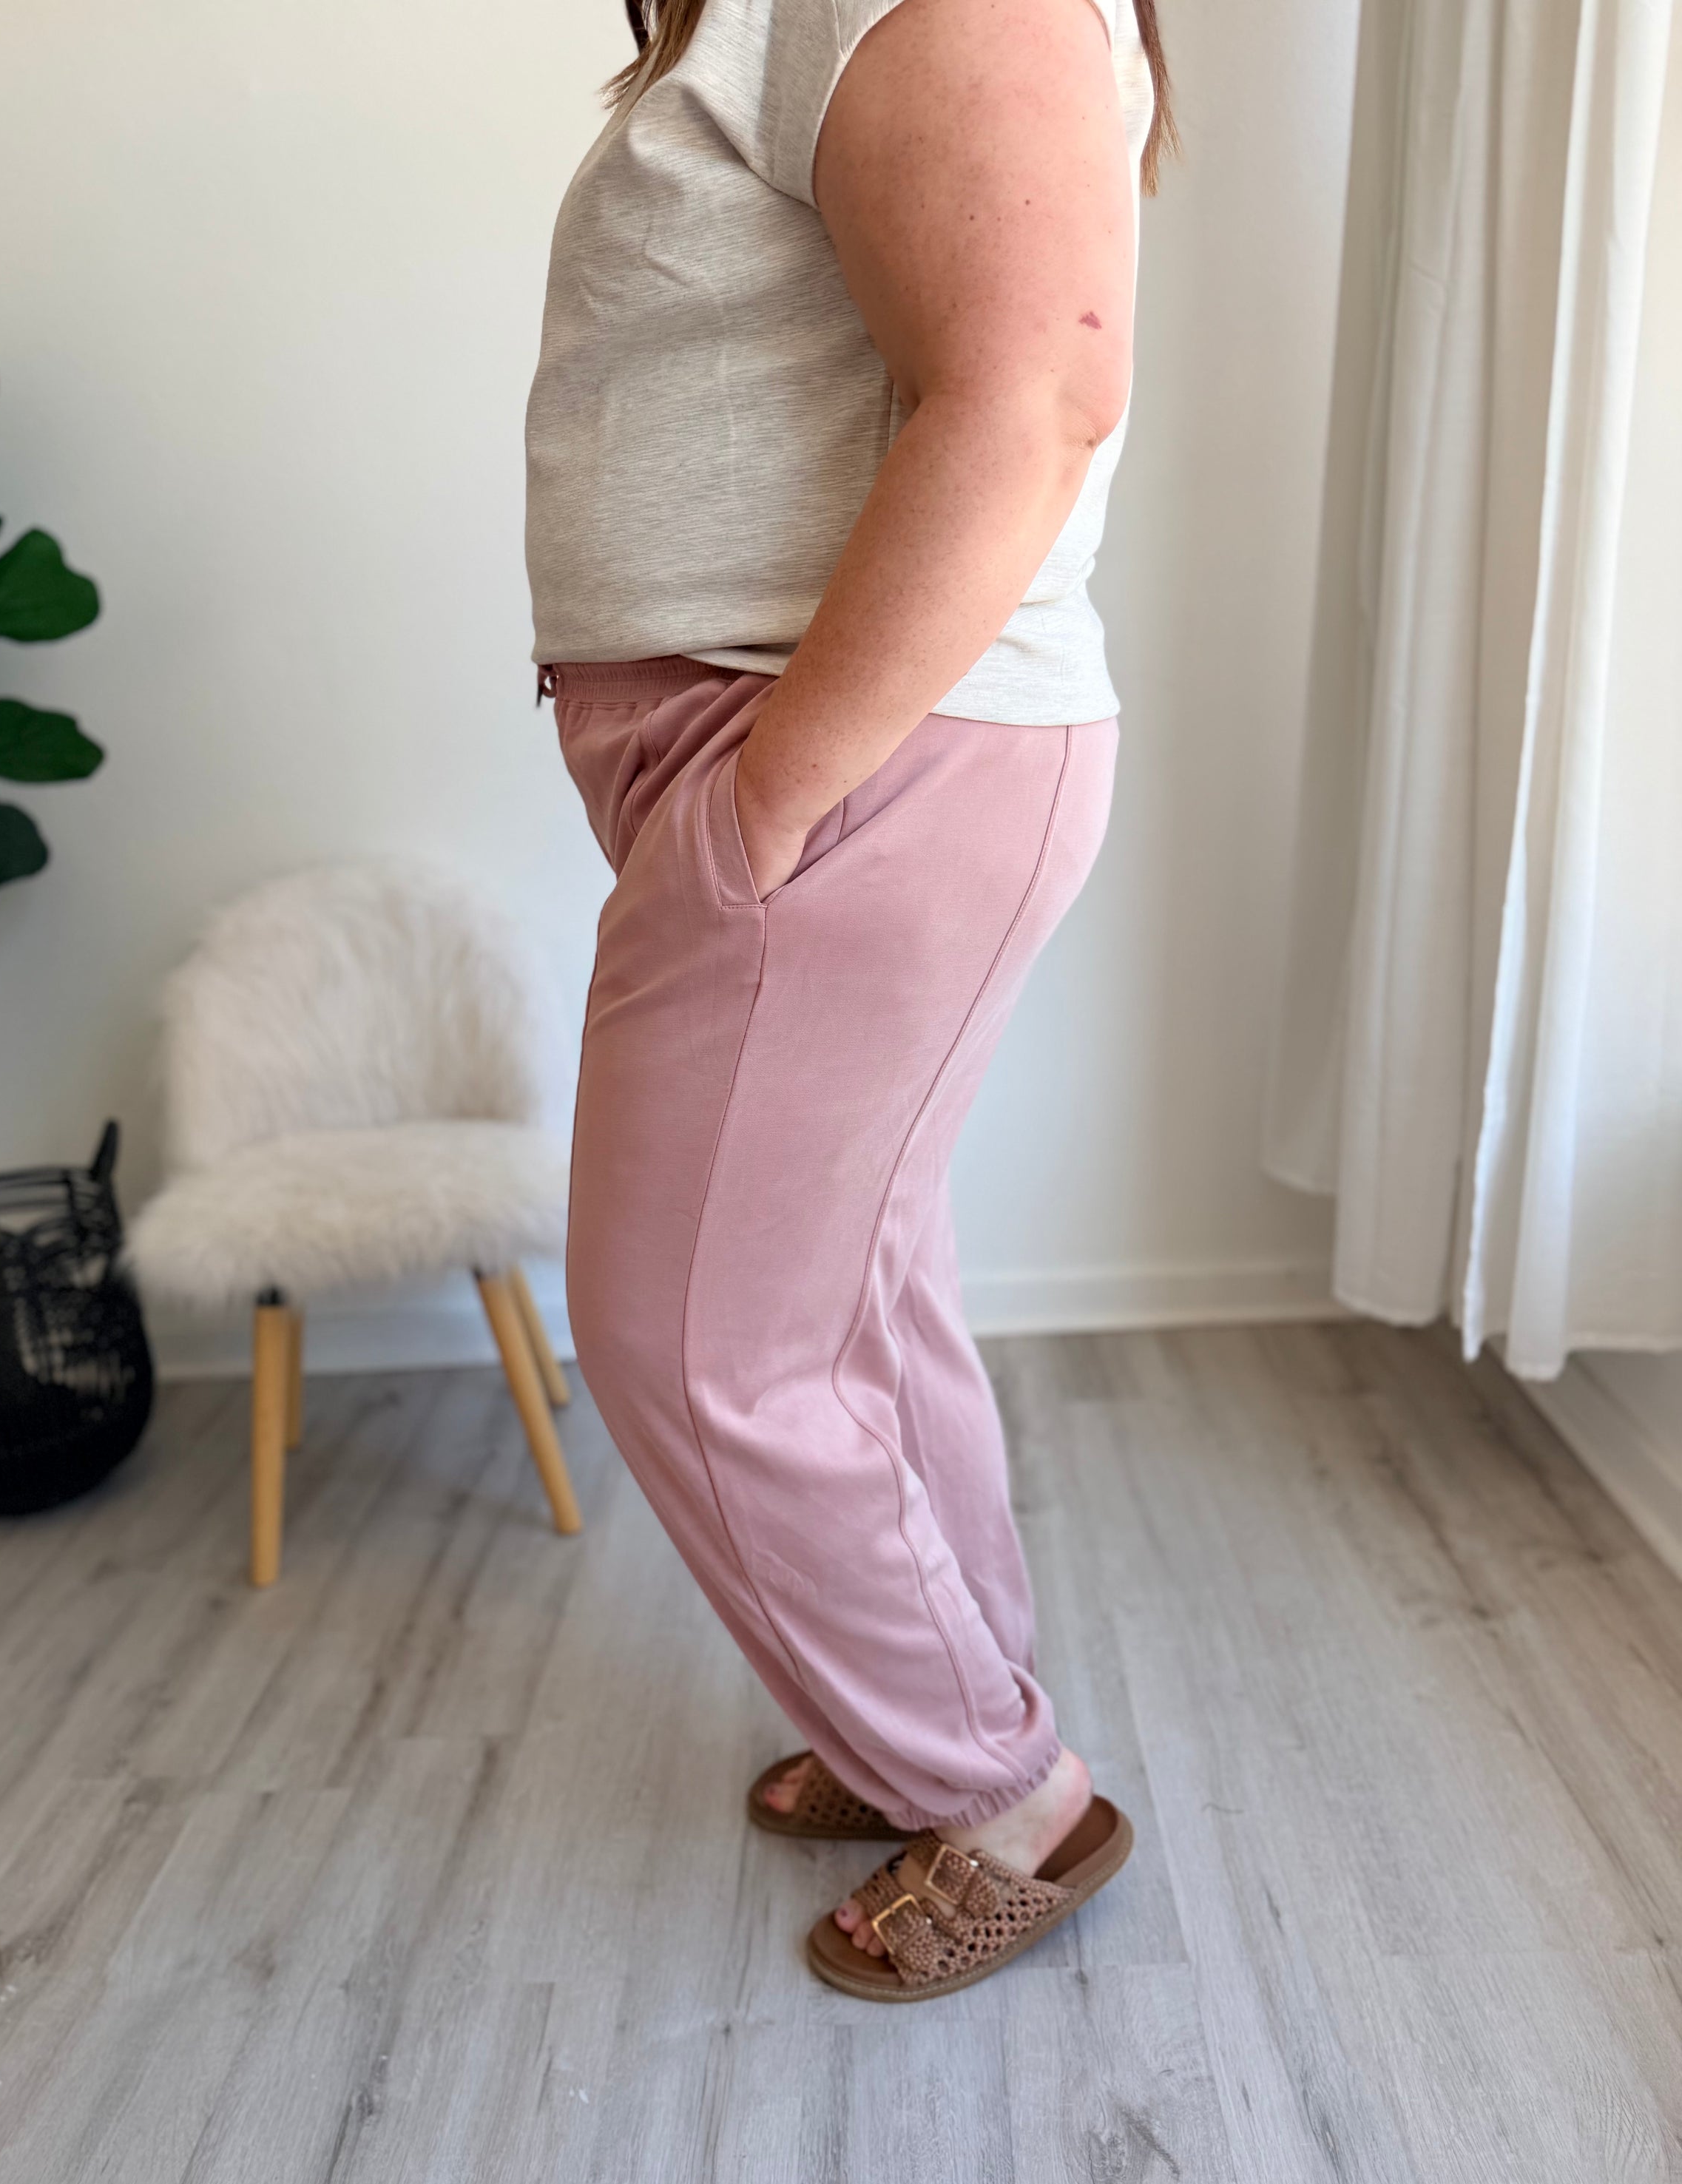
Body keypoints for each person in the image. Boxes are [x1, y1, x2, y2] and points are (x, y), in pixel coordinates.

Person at [525, 0, 1174, 2000]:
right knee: (850, 1293)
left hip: (852, 756)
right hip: (833, 752)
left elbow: (1036, 393)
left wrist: (775, 795)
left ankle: (1001, 1796)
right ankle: (938, 1722)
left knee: (691, 1339)